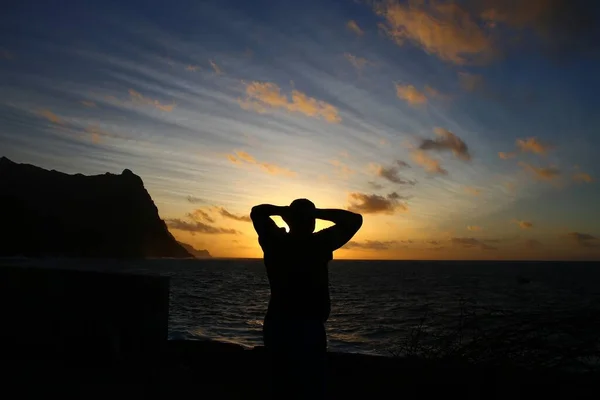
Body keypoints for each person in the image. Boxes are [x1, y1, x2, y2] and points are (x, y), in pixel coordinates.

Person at [250, 199, 363, 399]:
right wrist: (315, 212)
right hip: (309, 326)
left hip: (277, 323)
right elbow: (354, 220)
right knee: (310, 385)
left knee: (279, 383)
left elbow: (257, 212)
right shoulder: (319, 243)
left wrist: (285, 211)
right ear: (311, 223)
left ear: (289, 220)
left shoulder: (274, 241)